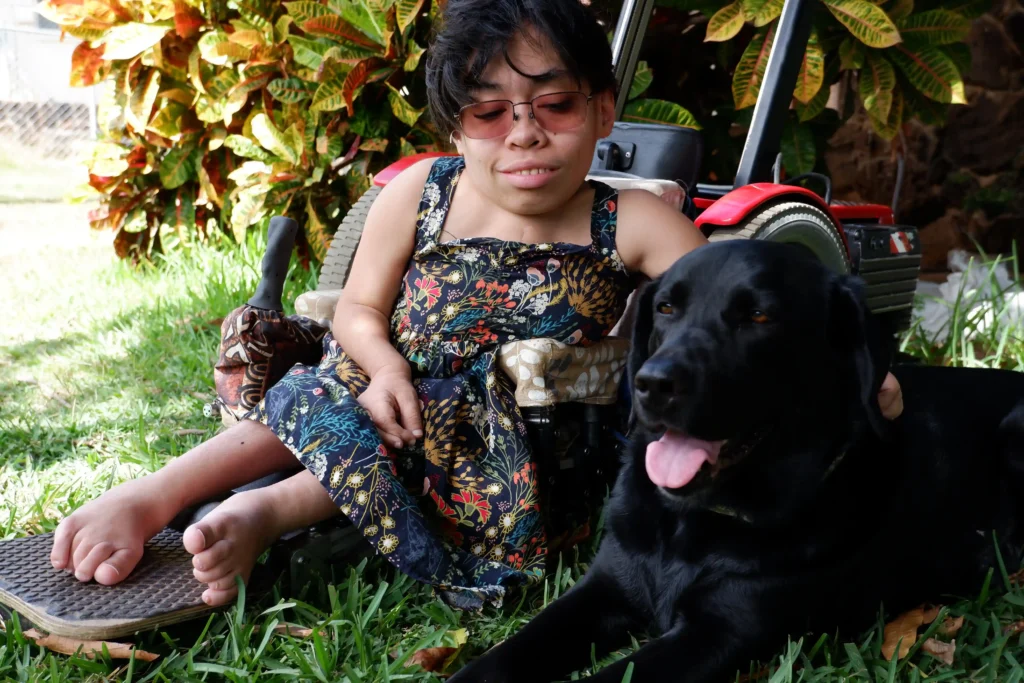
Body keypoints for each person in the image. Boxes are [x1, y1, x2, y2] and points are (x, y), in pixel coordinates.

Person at [49, 0, 905, 610]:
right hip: (384, 377)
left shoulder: (634, 218)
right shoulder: (420, 192)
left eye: (554, 106)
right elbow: (357, 311)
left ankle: (266, 511)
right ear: (456, 129)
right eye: (490, 114)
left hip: (522, 425)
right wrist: (380, 365)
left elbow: (733, 310)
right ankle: (157, 492)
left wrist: (859, 368)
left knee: (446, 406)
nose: (524, 133)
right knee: (319, 379)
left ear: (603, 111)